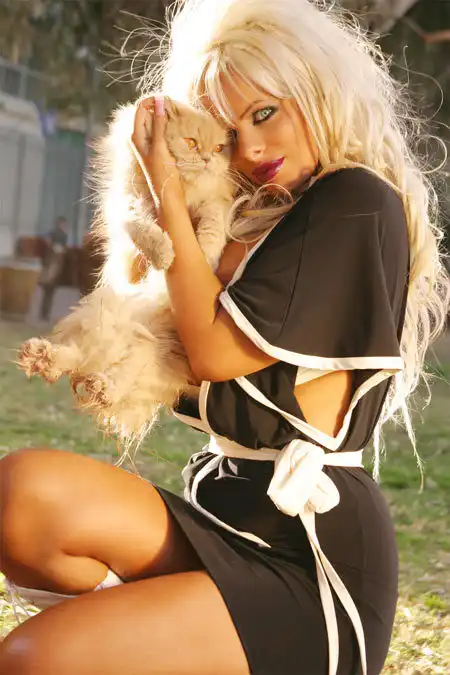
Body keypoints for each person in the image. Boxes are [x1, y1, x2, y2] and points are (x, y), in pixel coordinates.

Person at [1, 1, 449, 673]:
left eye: (266, 113)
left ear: (316, 90)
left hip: (310, 560)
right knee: (21, 494)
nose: (253, 149)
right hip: (221, 514)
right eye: (230, 131)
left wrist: (170, 201)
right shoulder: (253, 217)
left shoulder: (357, 200)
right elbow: (144, 308)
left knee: (34, 657)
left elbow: (212, 353)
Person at [37, 215, 70, 321]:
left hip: (50, 273)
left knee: (48, 294)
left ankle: (44, 314)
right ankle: (45, 314)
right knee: (49, 293)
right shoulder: (60, 235)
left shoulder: (56, 234)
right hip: (52, 273)